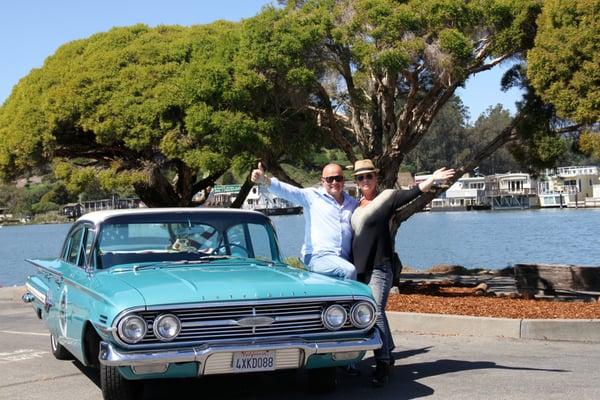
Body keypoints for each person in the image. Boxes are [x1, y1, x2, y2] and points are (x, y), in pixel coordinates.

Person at [350, 159, 455, 387]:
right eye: (360, 177)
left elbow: (412, 193)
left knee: (375, 312)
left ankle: (383, 363)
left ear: (376, 178)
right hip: (360, 271)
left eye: (369, 176)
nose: (365, 180)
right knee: (375, 313)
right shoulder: (355, 207)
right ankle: (388, 351)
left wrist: (432, 179)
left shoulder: (386, 197)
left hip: (380, 267)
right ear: (356, 182)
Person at [251, 161, 358, 280]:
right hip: (317, 257)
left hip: (342, 259)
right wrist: (265, 180)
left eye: (338, 178)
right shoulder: (312, 196)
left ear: (343, 180)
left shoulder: (352, 203)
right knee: (349, 271)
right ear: (322, 181)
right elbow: (288, 191)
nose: (334, 182)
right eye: (330, 179)